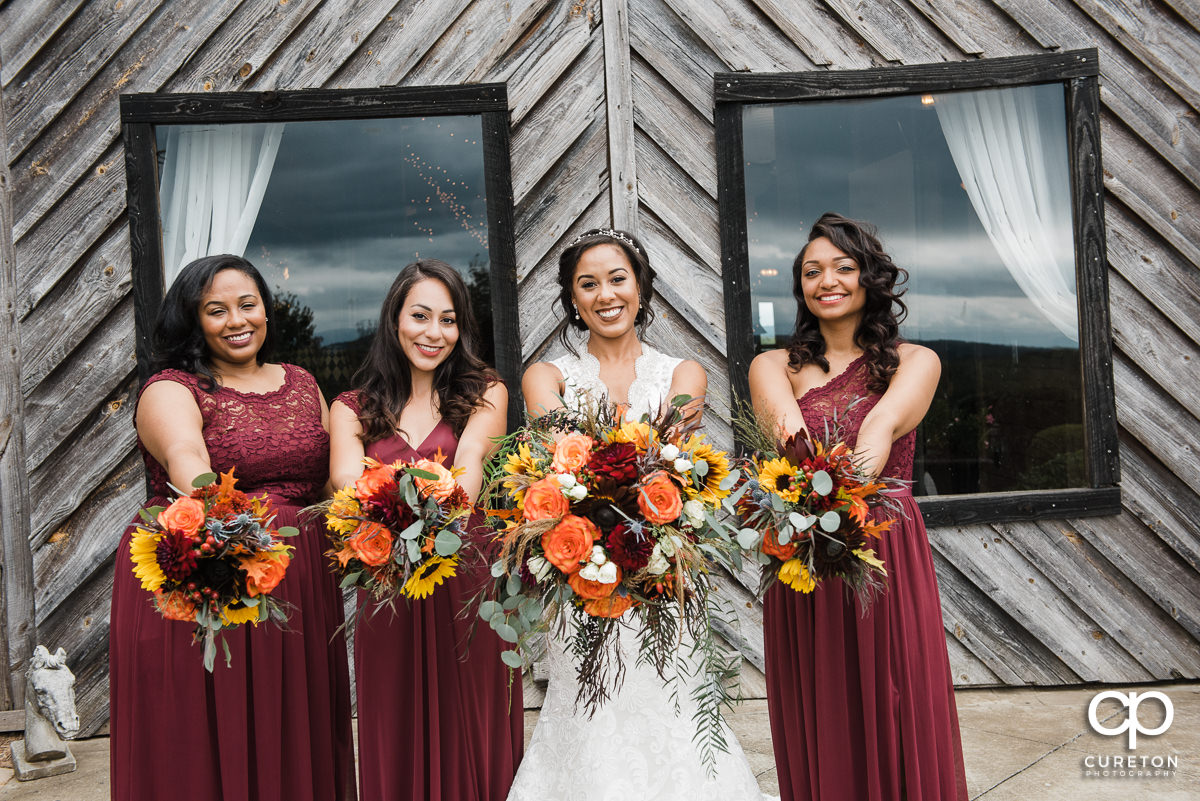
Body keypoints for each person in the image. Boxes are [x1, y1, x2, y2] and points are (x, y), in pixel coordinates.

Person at [511, 228, 772, 801]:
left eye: (617, 278)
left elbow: (670, 473)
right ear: (573, 301)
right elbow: (569, 468)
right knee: (590, 710)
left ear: (641, 286)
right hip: (581, 572)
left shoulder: (684, 374)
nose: (606, 294)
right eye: (588, 284)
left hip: (663, 575)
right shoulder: (546, 377)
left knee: (672, 705)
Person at [108, 255, 355, 801]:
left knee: (293, 722)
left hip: (302, 578)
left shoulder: (301, 381)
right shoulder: (171, 388)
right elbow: (186, 459)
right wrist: (231, 531)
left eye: (248, 305)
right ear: (192, 320)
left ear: (266, 308)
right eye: (215, 310)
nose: (237, 320)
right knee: (205, 735)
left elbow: (329, 483)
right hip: (209, 567)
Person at [750, 213, 968, 801]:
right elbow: (791, 445)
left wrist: (836, 500)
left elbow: (880, 426)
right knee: (820, 696)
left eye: (844, 268)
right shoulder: (773, 367)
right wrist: (817, 509)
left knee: (895, 691)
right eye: (812, 271)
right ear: (799, 286)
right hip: (804, 548)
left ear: (869, 277)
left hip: (886, 544)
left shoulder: (916, 360)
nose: (828, 281)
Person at [328, 259, 522, 801]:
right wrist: (396, 497)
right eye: (420, 316)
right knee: (393, 709)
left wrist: (392, 488)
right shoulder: (351, 408)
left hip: (466, 573)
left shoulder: (486, 392)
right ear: (395, 319)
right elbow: (345, 479)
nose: (434, 333)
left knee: (473, 713)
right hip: (386, 578)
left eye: (449, 319)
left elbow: (469, 467)